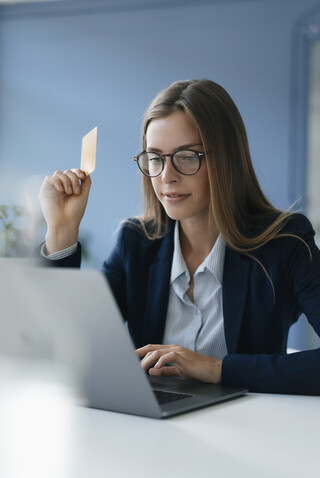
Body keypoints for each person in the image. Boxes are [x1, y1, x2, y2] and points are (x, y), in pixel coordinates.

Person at [38, 79, 320, 395]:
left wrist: (217, 369)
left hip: (251, 430)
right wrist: (61, 232)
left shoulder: (285, 242)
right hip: (156, 431)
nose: (166, 176)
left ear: (226, 159)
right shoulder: (136, 243)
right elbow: (58, 346)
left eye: (187, 157)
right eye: (155, 158)